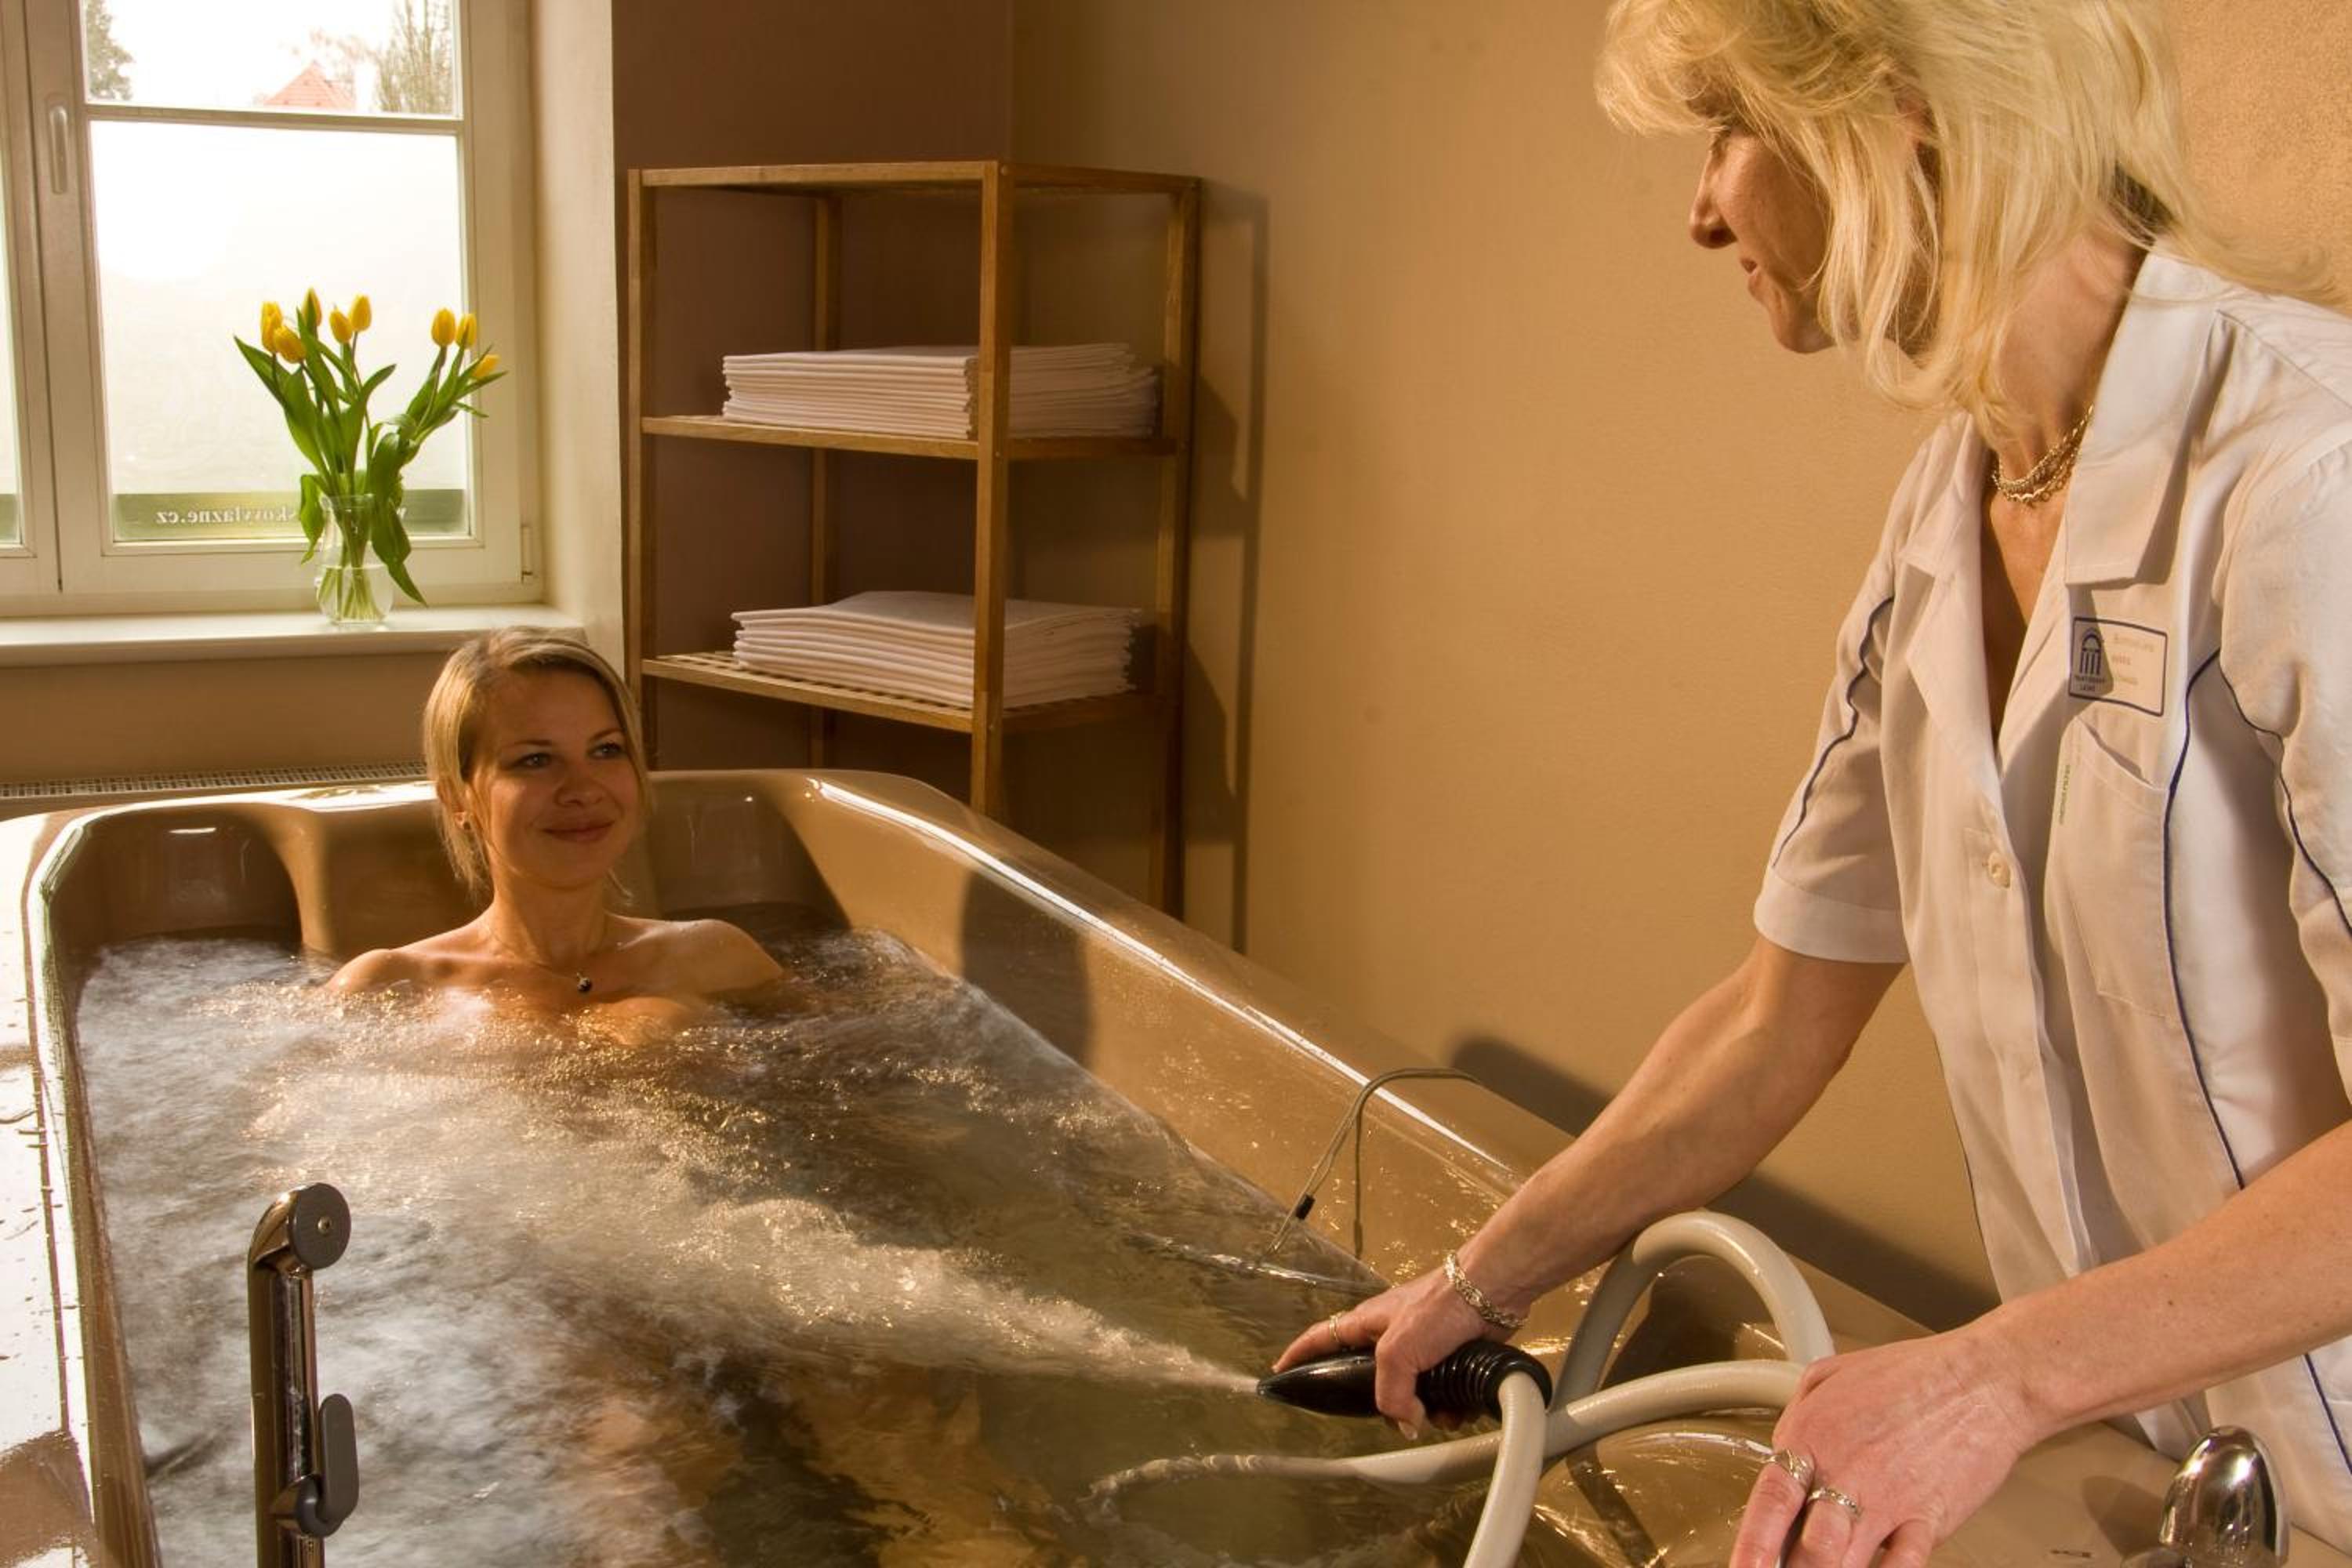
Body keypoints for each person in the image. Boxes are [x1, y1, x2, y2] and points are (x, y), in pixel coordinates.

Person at [1277, 1, 2352, 1562]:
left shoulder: (2308, 479)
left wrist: (1994, 1375)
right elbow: (1780, 1013)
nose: (1703, 210)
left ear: (1899, 106)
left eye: (1730, 129)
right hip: (2165, 1481)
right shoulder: (1950, 507)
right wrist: (1478, 1284)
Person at [331, 629, 782, 1014]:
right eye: (535, 760)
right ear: (457, 798)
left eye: (606, 750)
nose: (584, 789)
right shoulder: (393, 988)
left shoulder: (715, 957)